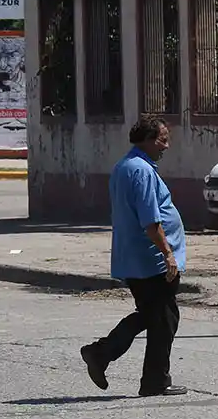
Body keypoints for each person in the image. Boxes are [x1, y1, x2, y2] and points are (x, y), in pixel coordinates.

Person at [80, 116, 188, 397]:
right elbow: (150, 220)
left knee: (156, 316)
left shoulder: (126, 165)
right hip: (149, 259)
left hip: (137, 257)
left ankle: (104, 355)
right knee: (162, 318)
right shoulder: (140, 170)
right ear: (149, 140)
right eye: (163, 140)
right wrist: (168, 254)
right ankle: (144, 376)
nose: (166, 146)